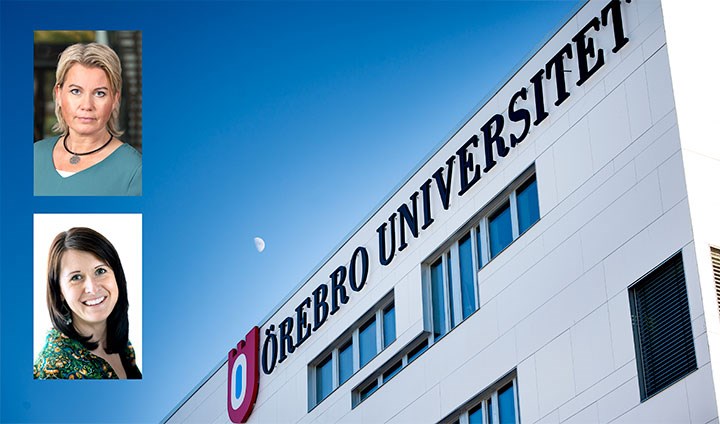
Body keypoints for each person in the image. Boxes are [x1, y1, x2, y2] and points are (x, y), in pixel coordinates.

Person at [34, 43, 142, 196]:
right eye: (76, 91)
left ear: (115, 99)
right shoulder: (34, 156)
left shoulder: (135, 171)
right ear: (58, 94)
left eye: (99, 93)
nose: (86, 105)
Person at [34, 227, 142, 379]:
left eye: (100, 271)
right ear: (60, 292)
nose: (92, 288)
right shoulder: (52, 372)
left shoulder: (122, 345)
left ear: (117, 276)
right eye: (76, 277)